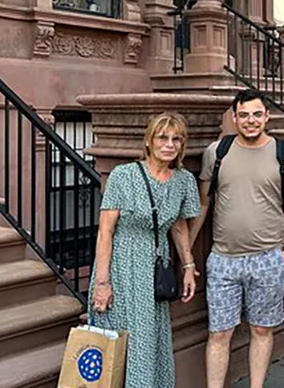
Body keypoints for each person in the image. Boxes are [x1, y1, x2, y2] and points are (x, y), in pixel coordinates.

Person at [190, 89, 284, 388]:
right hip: (223, 260)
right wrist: (187, 256)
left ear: (266, 116)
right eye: (243, 115)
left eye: (256, 114)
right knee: (219, 334)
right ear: (234, 118)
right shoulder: (217, 152)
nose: (250, 120)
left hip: (268, 258)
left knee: (261, 330)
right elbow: (203, 204)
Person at [90, 112, 200, 388]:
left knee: (150, 340)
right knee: (118, 341)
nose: (169, 144)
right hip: (122, 266)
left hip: (154, 270)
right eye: (162, 137)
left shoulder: (183, 180)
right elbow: (106, 230)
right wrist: (102, 282)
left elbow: (179, 226)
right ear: (149, 141)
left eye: (176, 139)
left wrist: (188, 267)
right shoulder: (123, 175)